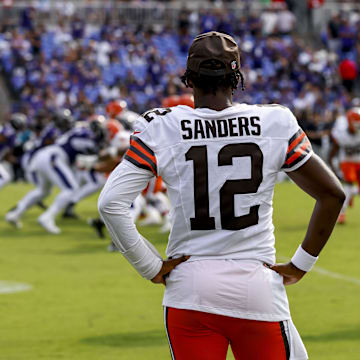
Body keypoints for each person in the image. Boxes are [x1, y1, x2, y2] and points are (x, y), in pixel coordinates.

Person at [98, 32, 345, 360]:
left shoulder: (162, 127)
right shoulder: (273, 122)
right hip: (255, 284)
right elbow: (332, 194)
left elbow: (110, 203)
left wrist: (150, 266)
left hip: (189, 289)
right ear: (236, 77)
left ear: (189, 78)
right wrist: (300, 264)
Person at [329, 107, 360, 224]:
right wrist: (331, 166)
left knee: (351, 188)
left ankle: (351, 193)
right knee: (349, 184)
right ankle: (341, 213)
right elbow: (333, 151)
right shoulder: (341, 134)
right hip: (347, 162)